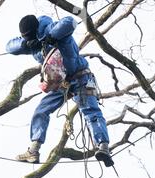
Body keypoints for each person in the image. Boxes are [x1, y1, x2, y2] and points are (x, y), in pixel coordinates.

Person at [6, 15, 114, 167]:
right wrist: (27, 43)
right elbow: (9, 47)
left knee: (90, 111)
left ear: (37, 28)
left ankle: (103, 146)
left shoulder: (50, 28)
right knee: (41, 111)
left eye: (30, 35)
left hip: (81, 78)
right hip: (62, 84)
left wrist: (49, 37)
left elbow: (70, 22)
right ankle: (34, 150)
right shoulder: (33, 43)